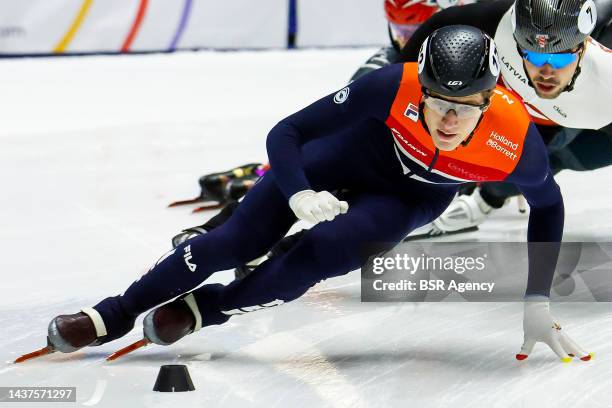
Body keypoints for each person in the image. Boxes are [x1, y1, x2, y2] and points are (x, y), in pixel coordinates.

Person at [42, 26, 588, 363]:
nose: (448, 120)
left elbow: (549, 206)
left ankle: (213, 308)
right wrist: (299, 190)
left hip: (410, 197)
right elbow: (287, 133)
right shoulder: (390, 85)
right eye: (437, 102)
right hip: (355, 152)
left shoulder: (513, 140)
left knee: (325, 255)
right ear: (417, 87)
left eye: (465, 106)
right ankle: (110, 314)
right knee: (227, 243)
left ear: (488, 99)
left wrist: (537, 297)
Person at [172, 0, 473, 276]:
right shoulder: (383, 63)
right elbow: (331, 127)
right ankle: (222, 227)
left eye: (414, 29)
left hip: (425, 172)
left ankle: (287, 252)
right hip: (373, 154)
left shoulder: (471, 67)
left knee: (374, 213)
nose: (405, 39)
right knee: (315, 167)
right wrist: (289, 167)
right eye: (398, 29)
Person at [398, 0, 612, 237]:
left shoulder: (605, 88)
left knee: (558, 159)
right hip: (520, 111)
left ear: (583, 48)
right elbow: (440, 25)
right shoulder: (501, 24)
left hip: (583, 122)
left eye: (560, 59)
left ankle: (486, 199)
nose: (546, 72)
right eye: (534, 56)